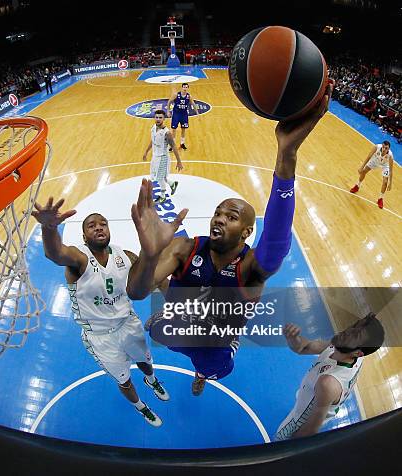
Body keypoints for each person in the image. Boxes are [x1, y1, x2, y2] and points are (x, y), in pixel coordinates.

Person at [131, 82, 334, 396]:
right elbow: (136, 291)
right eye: (218, 213)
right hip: (179, 330)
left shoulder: (251, 267)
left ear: (246, 232)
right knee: (161, 317)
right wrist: (149, 253)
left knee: (212, 369)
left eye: (231, 216)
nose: (220, 219)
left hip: (216, 347)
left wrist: (287, 155)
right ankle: (173, 314)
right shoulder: (186, 247)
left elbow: (277, 241)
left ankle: (200, 374)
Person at [30, 200, 186, 427]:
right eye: (92, 225)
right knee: (124, 381)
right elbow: (55, 253)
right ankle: (141, 407)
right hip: (100, 337)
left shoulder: (126, 256)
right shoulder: (79, 259)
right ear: (84, 236)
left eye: (103, 224)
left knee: (145, 361)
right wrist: (49, 227)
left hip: (128, 323)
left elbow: (157, 277)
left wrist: (179, 304)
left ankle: (152, 380)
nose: (99, 227)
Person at [275, 313, 385, 440]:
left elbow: (311, 429)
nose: (348, 331)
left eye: (356, 335)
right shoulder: (345, 351)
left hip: (299, 421)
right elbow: (303, 348)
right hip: (319, 400)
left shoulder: (328, 383)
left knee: (279, 439)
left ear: (358, 352)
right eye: (355, 326)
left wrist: (288, 448)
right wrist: (293, 338)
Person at [142, 109, 183, 204]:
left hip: (163, 157)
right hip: (155, 156)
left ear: (164, 118)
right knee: (160, 176)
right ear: (154, 118)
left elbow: (173, 146)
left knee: (159, 177)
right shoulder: (153, 128)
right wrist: (146, 152)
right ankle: (172, 184)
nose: (158, 119)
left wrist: (179, 161)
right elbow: (152, 141)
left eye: (160, 117)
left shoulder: (167, 133)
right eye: (156, 117)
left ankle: (163, 196)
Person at [349, 140, 394, 209]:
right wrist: (362, 167)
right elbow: (369, 156)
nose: (384, 149)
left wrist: (390, 183)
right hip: (375, 161)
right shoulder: (376, 147)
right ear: (382, 146)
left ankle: (380, 199)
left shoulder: (390, 155)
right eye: (384, 147)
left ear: (389, 149)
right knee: (363, 171)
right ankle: (357, 186)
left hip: (385, 165)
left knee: (385, 182)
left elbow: (391, 169)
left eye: (386, 148)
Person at [167, 82, 196, 150]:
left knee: (183, 129)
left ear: (188, 88)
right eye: (184, 87)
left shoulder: (189, 96)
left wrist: (196, 111)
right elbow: (169, 102)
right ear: (182, 87)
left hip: (184, 114)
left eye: (186, 87)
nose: (185, 88)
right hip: (176, 114)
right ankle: (172, 145)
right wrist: (168, 111)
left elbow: (193, 103)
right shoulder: (176, 94)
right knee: (174, 129)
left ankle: (182, 143)